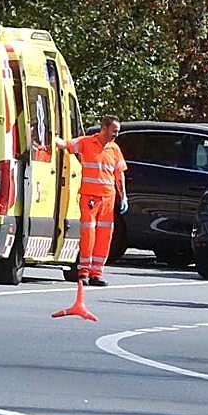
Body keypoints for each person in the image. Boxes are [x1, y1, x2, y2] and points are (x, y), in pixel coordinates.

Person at [55, 116, 128, 287]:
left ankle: (97, 273)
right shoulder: (87, 143)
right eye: (114, 131)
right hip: (90, 198)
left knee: (105, 237)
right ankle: (84, 273)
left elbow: (119, 174)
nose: (116, 134)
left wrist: (123, 196)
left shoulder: (114, 149)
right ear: (104, 128)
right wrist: (50, 137)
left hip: (108, 200)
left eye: (117, 131)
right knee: (89, 235)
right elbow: (66, 145)